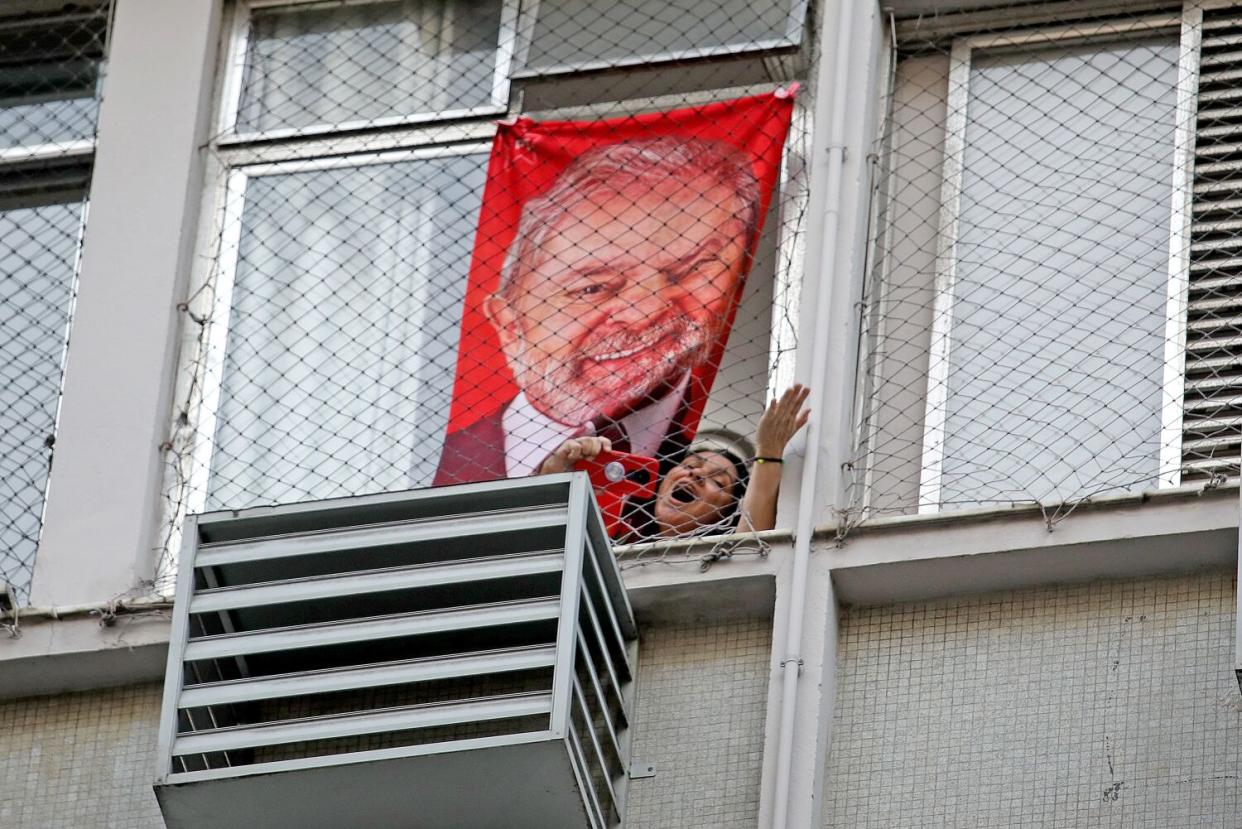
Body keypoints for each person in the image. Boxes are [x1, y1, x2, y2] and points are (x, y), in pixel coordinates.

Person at [433, 136, 762, 485]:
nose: (644, 313)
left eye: (687, 270)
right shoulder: (421, 468)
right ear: (509, 324)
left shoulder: (712, 482)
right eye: (592, 288)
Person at [539, 384, 811, 539]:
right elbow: (545, 537)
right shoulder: (611, 536)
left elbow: (752, 538)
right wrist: (559, 472)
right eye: (690, 466)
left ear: (726, 513)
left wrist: (769, 452)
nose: (695, 475)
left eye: (718, 481)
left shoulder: (724, 554)